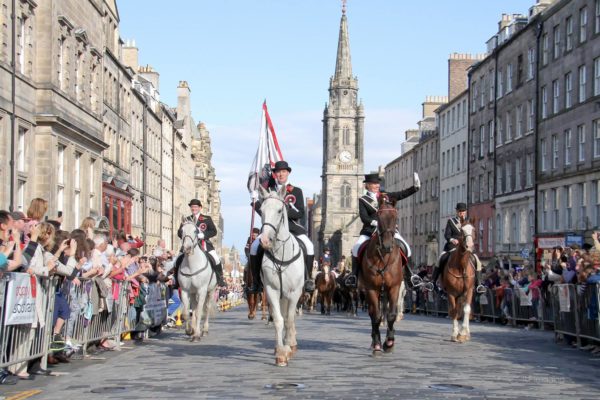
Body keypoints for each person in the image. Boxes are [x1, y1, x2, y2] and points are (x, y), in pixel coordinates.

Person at [248, 160, 315, 293]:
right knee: (254, 248)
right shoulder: (267, 190)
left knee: (309, 246)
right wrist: (254, 200)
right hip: (271, 228)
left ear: (288, 173)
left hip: (292, 227)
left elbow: (300, 212)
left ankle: (307, 279)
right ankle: (256, 282)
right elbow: (263, 212)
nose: (281, 174)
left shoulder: (296, 191)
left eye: (284, 171)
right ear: (274, 174)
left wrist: (283, 212)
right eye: (278, 172)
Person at [345, 172, 421, 288]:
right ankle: (354, 276)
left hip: (388, 230)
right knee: (356, 248)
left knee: (406, 247)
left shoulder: (386, 196)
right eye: (374, 183)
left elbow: (401, 194)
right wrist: (375, 222)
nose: (376, 185)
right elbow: (364, 217)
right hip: (370, 230)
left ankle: (410, 275)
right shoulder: (363, 200)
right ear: (367, 186)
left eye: (377, 183)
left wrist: (415, 188)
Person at [431, 202, 486, 294]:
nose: (462, 213)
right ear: (457, 212)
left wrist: (471, 241)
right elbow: (447, 235)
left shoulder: (469, 222)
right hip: (453, 247)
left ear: (466, 212)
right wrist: (452, 239)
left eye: (463, 211)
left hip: (466, 248)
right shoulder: (451, 221)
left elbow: (473, 234)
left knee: (478, 261)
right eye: (460, 211)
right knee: (440, 258)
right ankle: (433, 282)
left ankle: (479, 284)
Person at [174, 199, 226, 287]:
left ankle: (220, 279)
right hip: (189, 244)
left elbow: (214, 231)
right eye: (192, 207)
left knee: (216, 259)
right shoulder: (187, 219)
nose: (193, 208)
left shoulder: (206, 219)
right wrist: (184, 236)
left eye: (195, 207)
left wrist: (204, 235)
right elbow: (179, 232)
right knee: (177, 260)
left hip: (204, 243)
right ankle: (176, 281)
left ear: (200, 208)